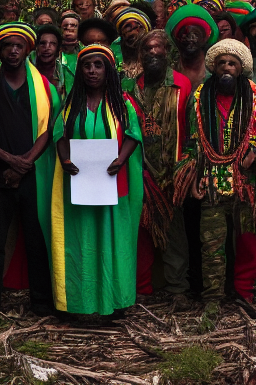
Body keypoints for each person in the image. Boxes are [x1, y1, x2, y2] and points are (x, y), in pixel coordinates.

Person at [174, 39, 256, 317]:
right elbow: (192, 141)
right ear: (214, 66)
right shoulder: (201, 96)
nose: (227, 67)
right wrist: (192, 177)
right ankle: (213, 298)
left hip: (247, 182)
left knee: (249, 241)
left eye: (233, 63)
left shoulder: (255, 94)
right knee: (211, 244)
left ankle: (244, 293)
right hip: (211, 181)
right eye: (222, 62)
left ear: (242, 68)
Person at [0, 23, 58, 324]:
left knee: (37, 238)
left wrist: (25, 164)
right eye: (7, 45)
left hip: (34, 175)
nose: (14, 50)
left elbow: (52, 128)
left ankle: (43, 304)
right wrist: (9, 161)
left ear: (27, 49)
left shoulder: (44, 87)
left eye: (19, 45)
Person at [53, 43, 143, 316]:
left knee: (114, 242)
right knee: (82, 243)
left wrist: (121, 159)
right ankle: (81, 303)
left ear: (108, 70)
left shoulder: (121, 102)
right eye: (86, 65)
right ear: (79, 70)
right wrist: (65, 160)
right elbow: (59, 135)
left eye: (98, 65)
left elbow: (133, 135)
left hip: (113, 186)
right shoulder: (71, 103)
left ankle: (114, 302)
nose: (92, 71)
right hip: (79, 187)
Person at [123, 29, 192, 305]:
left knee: (174, 232)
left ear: (167, 52)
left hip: (171, 171)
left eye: (157, 48)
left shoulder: (182, 85)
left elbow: (191, 128)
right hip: (139, 170)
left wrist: (185, 168)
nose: (152, 53)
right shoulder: (130, 88)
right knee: (140, 232)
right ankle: (142, 287)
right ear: (140, 54)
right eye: (147, 49)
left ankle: (178, 289)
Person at [167, 4, 219, 90]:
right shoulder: (168, 75)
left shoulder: (216, 72)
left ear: (206, 37)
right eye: (184, 34)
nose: (191, 39)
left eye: (196, 33)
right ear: (175, 38)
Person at [33, 23, 72, 101]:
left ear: (58, 49)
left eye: (52, 44)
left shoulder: (66, 74)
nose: (47, 48)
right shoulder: (25, 72)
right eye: (42, 43)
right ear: (36, 47)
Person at [114, 5, 154, 79]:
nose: (131, 35)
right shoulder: (116, 56)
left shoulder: (155, 53)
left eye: (136, 29)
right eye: (125, 34)